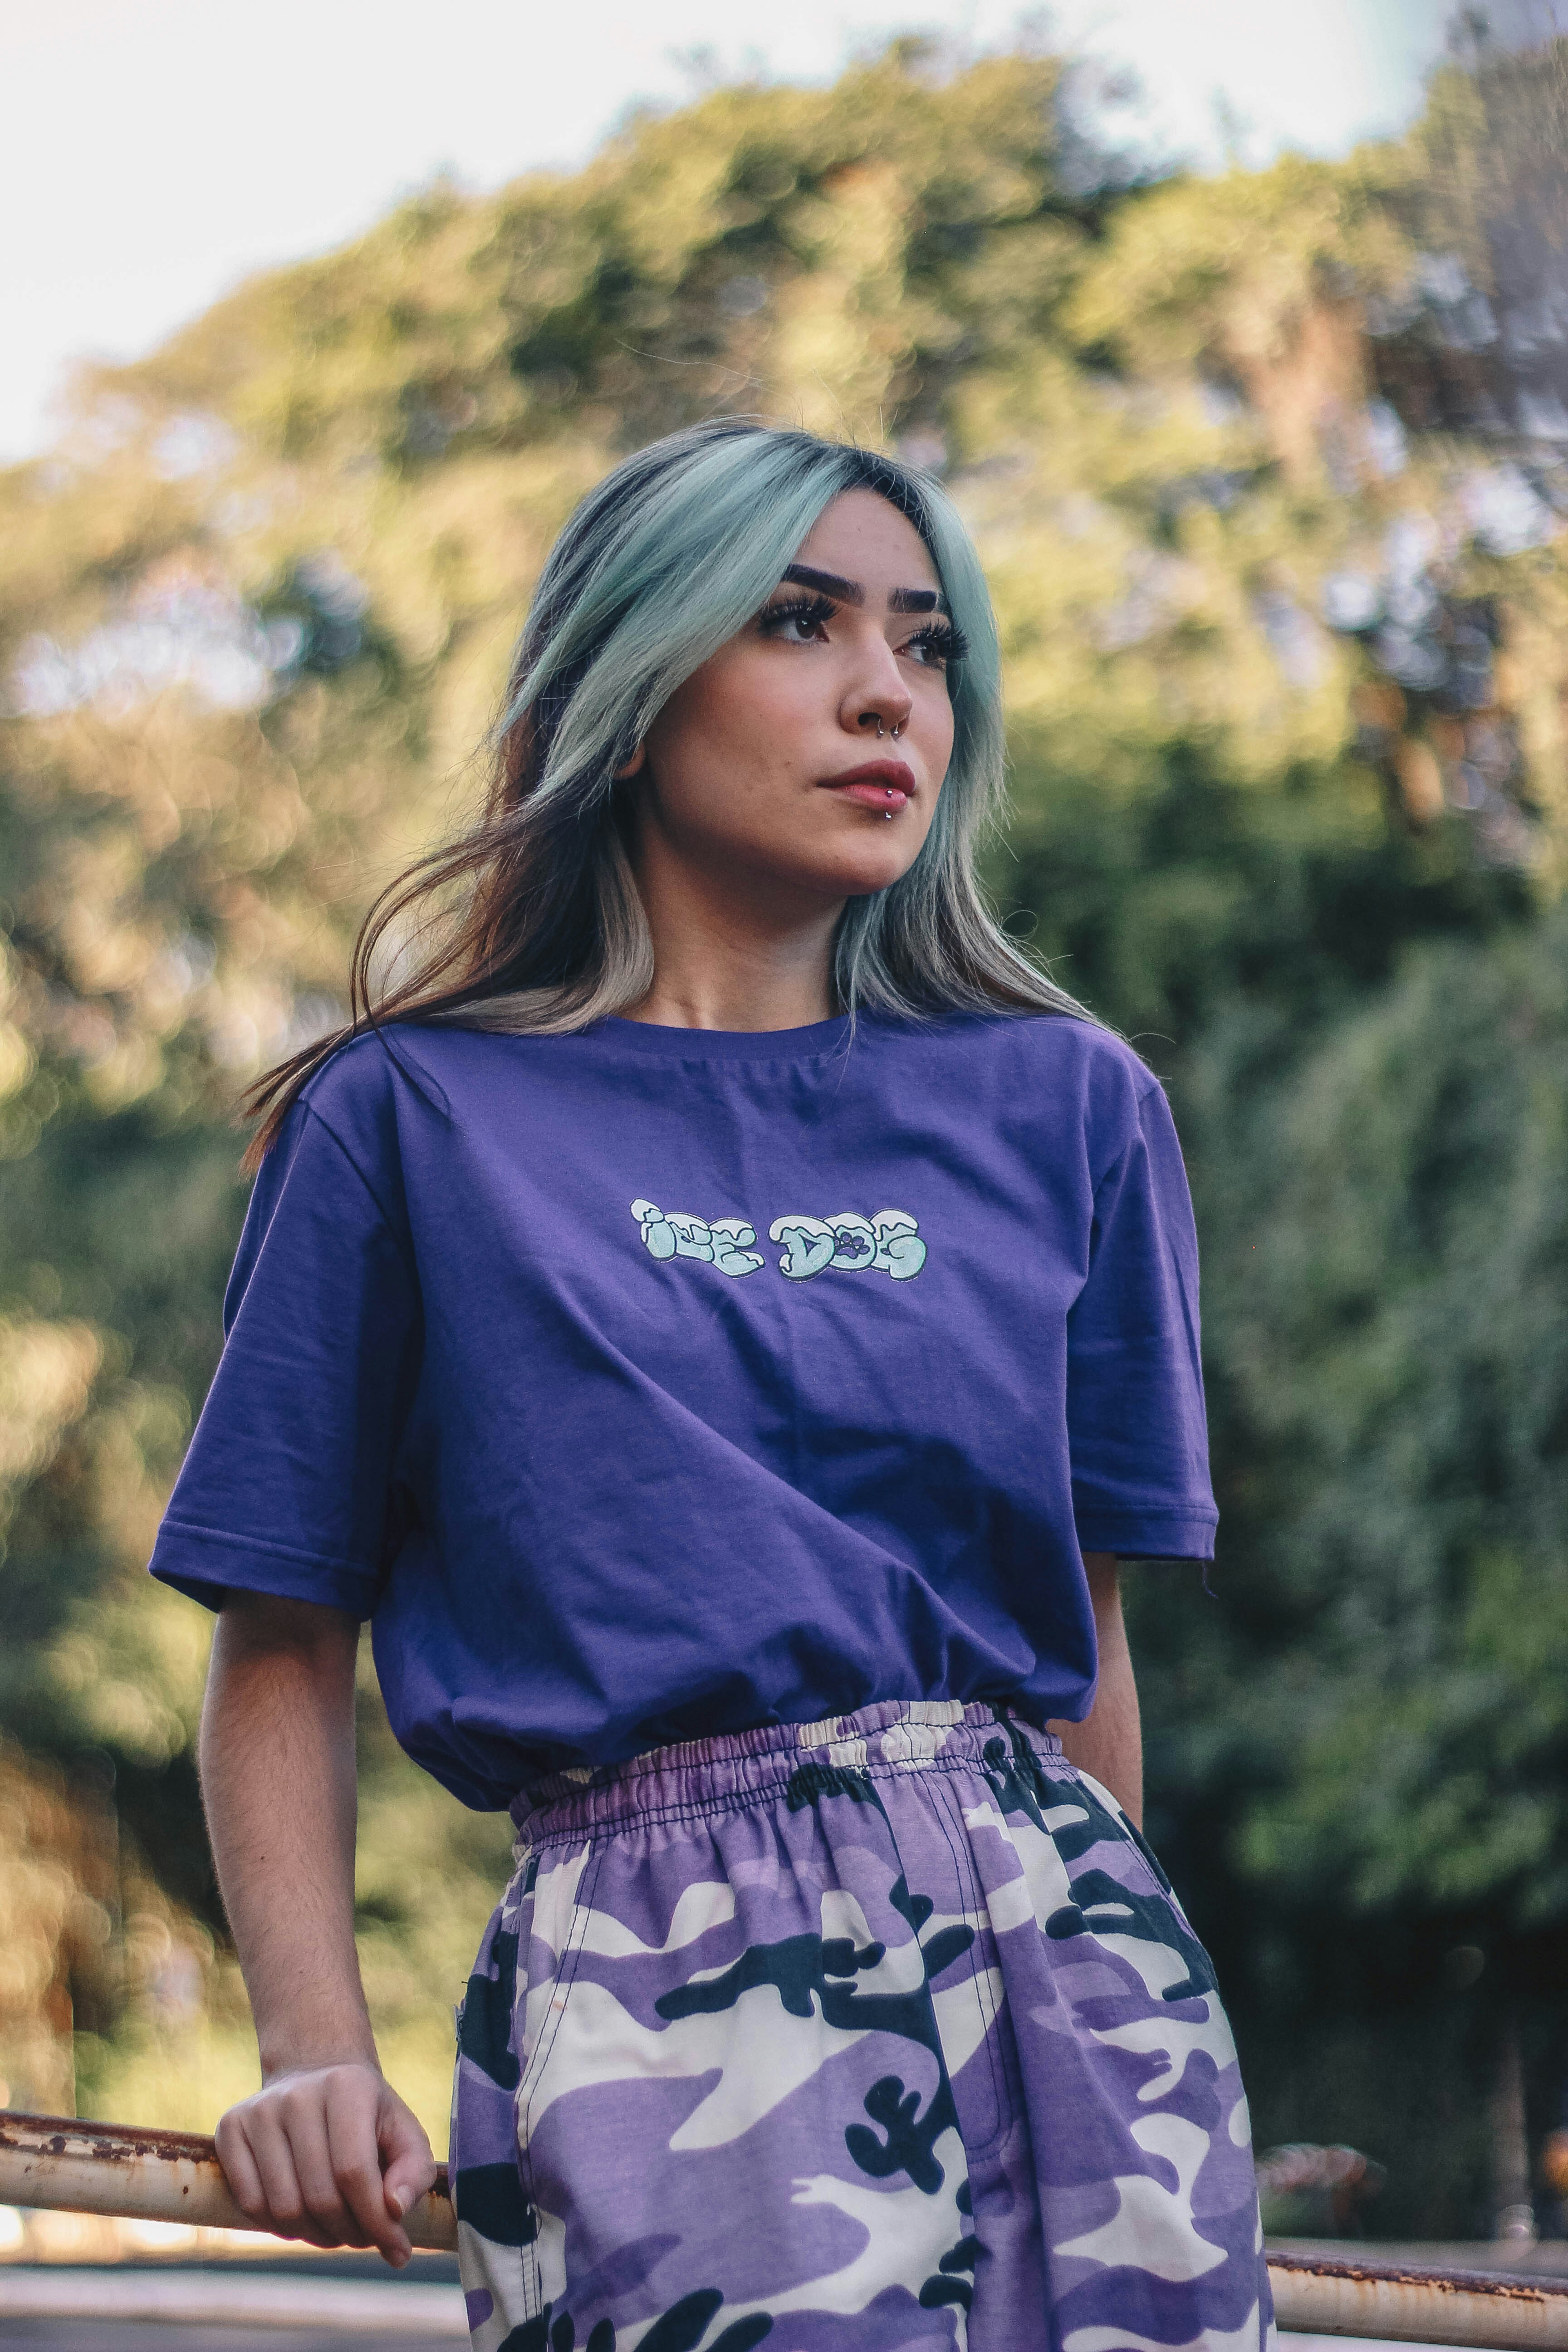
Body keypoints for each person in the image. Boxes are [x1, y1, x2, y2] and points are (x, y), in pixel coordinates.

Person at [151, 420, 1274, 2351]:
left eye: (927, 647)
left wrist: (1119, 2003)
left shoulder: (1067, 1103)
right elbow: (280, 1642)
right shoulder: (408, 1125)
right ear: (633, 682)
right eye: (798, 622)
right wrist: (312, 2053)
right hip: (665, 1994)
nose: (884, 695)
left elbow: (1083, 1658)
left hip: (1077, 1976)